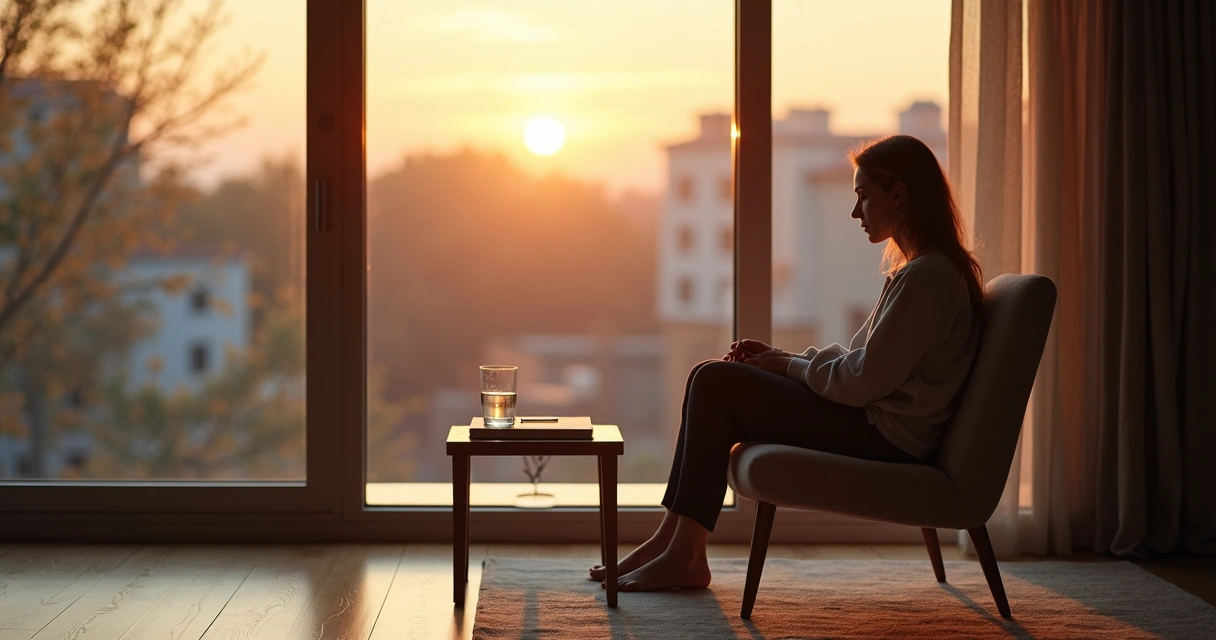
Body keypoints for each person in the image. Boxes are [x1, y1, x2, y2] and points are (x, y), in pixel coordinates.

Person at [589, 134, 985, 592]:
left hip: (885, 437)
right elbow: (865, 366)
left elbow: (860, 382)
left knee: (715, 382)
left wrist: (788, 367)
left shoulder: (928, 277)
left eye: (862, 197)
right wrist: (785, 359)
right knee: (707, 376)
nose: (856, 212)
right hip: (875, 422)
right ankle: (672, 542)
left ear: (898, 194)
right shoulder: (923, 272)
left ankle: (685, 554)